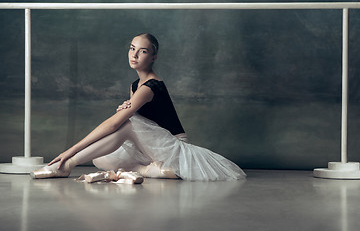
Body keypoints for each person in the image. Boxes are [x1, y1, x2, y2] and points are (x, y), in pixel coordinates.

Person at [30, 33, 246, 181]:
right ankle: (150, 170)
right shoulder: (135, 86)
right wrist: (126, 108)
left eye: (142, 51)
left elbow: (116, 125)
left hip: (172, 147)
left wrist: (70, 152)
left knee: (128, 122)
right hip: (150, 146)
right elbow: (135, 123)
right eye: (132, 48)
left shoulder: (151, 86)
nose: (134, 55)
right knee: (100, 158)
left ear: (153, 57)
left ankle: (66, 166)